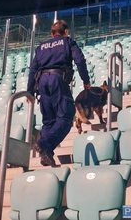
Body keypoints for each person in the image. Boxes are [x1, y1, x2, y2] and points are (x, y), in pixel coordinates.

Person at [27, 20, 91, 166]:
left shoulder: (41, 46)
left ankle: (47, 154)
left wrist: (29, 91)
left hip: (41, 83)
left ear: (52, 33)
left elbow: (32, 69)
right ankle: (44, 143)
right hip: (58, 80)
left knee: (49, 121)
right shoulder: (68, 42)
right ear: (66, 32)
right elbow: (80, 61)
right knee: (67, 116)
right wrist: (86, 81)